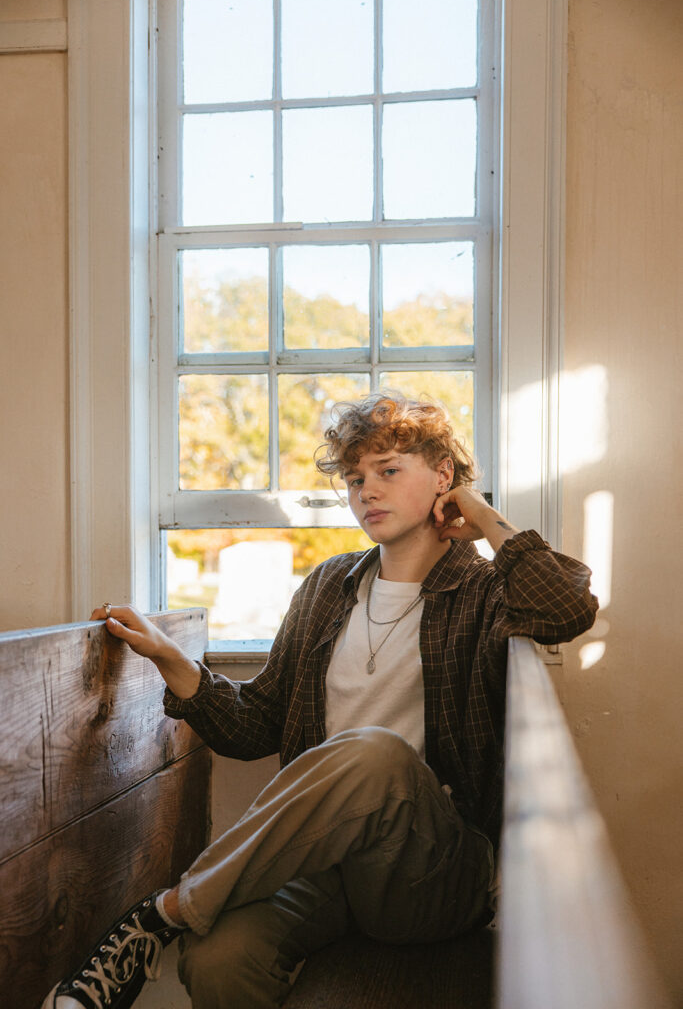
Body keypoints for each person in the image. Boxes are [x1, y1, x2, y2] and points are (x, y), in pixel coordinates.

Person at [42, 392, 598, 1009]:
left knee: (374, 756)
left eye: (389, 471)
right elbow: (258, 728)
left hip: (432, 869)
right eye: (356, 478)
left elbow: (566, 607)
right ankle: (178, 923)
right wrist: (170, 660)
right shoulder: (329, 586)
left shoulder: (484, 589)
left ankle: (162, 912)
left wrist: (487, 520)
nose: (367, 491)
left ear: (444, 477)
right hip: (324, 869)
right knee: (218, 958)